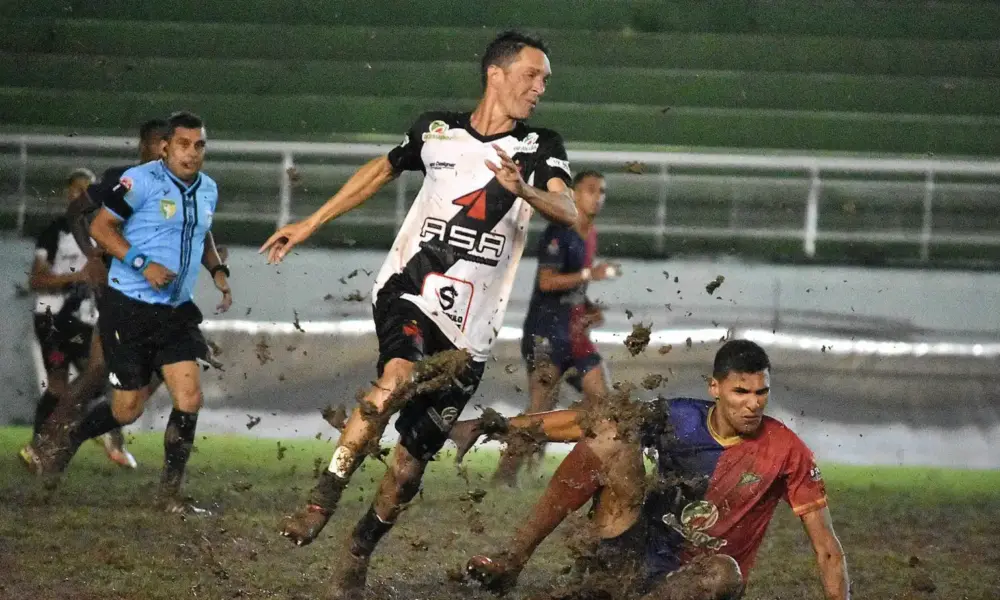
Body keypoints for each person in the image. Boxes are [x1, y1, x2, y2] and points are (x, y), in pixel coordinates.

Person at [260, 30, 578, 599]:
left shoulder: (539, 145)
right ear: (496, 74)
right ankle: (320, 501)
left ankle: (358, 551)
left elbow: (569, 209)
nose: (540, 87)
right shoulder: (436, 131)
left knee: (406, 471)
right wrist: (309, 223)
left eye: (545, 79)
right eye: (533, 75)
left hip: (471, 337)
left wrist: (525, 193)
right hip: (409, 292)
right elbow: (382, 169)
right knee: (397, 376)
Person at [453, 340, 851, 600]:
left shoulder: (787, 451)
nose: (753, 404)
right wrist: (499, 424)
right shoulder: (677, 417)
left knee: (724, 574)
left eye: (761, 392)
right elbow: (586, 420)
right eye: (741, 392)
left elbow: (827, 548)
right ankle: (512, 560)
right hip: (629, 551)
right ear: (715, 388)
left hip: (688, 583)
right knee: (611, 435)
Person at [24, 111, 233, 514]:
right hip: (129, 309)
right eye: (184, 145)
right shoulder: (138, 182)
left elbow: (201, 230)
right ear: (165, 147)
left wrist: (217, 271)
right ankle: (70, 439)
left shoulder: (208, 189)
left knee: (189, 397)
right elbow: (102, 228)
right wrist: (142, 265)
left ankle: (169, 496)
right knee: (126, 409)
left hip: (174, 311)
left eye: (199, 145)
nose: (192, 153)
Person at [494, 169, 617, 485]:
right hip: (545, 333)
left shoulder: (590, 235)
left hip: (575, 336)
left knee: (604, 401)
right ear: (574, 193)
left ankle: (595, 471)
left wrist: (589, 308)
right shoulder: (558, 232)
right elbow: (547, 282)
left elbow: (573, 287)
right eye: (591, 190)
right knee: (540, 410)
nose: (597, 197)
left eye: (602, 191)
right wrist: (591, 275)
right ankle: (505, 476)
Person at [21, 168, 134, 467]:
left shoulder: (101, 230)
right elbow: (36, 279)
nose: (77, 195)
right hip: (51, 317)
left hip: (82, 320)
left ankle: (109, 440)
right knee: (59, 384)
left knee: (102, 376)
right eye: (73, 190)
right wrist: (77, 276)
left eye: (84, 190)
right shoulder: (55, 231)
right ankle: (39, 446)